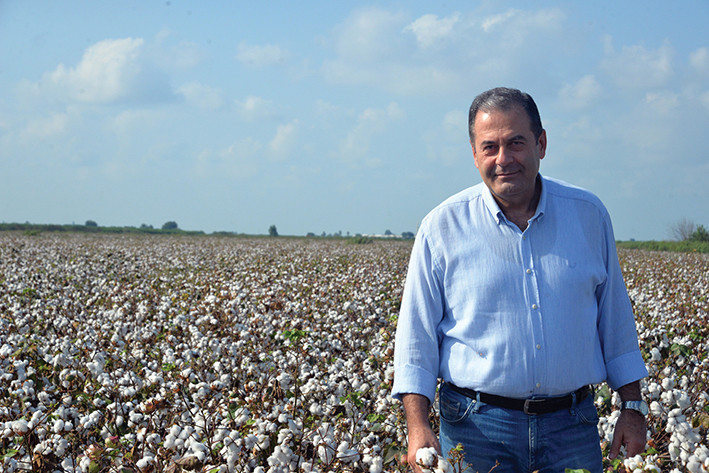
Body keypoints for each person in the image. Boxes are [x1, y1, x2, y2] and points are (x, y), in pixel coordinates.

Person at [392, 87, 648, 473]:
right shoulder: (441, 227)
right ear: (474, 154)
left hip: (571, 425)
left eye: (516, 143)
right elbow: (416, 338)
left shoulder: (588, 215)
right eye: (490, 146)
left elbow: (615, 321)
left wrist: (632, 408)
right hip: (474, 428)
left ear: (541, 143)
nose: (503, 159)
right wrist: (417, 426)